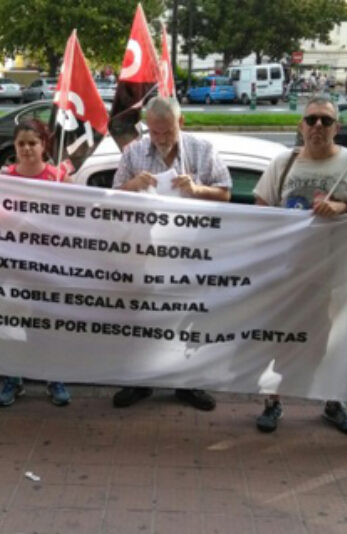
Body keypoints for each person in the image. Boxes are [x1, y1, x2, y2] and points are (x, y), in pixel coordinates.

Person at [251, 95, 347, 435]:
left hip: (336, 274)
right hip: (288, 273)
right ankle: (272, 401)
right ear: (300, 126)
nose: (317, 126)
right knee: (280, 339)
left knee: (332, 342)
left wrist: (343, 207)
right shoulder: (283, 164)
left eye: (325, 120)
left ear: (338, 126)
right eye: (311, 120)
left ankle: (334, 403)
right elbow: (259, 209)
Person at [111, 96, 232, 412]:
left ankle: (188, 384)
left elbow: (226, 193)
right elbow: (111, 198)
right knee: (144, 318)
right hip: (145, 254)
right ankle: (139, 382)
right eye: (154, 133)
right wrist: (133, 185)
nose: (161, 139)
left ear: (182, 123)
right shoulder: (134, 152)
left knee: (191, 318)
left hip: (192, 254)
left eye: (167, 133)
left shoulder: (202, 150)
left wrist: (197, 190)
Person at [0, 119, 71, 407]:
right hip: (13, 266)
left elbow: (79, 220)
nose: (26, 149)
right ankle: (13, 377)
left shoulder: (58, 178)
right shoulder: (2, 177)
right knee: (10, 322)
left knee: (48, 325)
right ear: (14, 147)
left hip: (49, 266)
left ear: (43, 146)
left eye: (32, 143)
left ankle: (54, 377)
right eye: (21, 144)